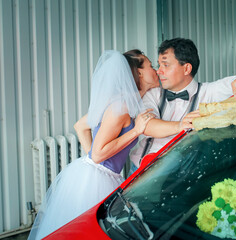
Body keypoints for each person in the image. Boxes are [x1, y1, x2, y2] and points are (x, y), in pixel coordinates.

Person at [28, 50, 159, 240]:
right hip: (98, 180)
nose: (155, 70)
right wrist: (136, 131)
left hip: (100, 174)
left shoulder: (125, 101)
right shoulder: (120, 107)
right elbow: (98, 155)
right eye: (150, 65)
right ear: (139, 73)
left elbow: (80, 126)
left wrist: (94, 161)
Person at [129, 38, 236, 173]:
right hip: (140, 172)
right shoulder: (153, 93)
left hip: (181, 175)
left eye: (165, 65)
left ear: (186, 68)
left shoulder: (208, 92)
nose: (159, 71)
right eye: (158, 65)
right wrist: (179, 125)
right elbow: (146, 125)